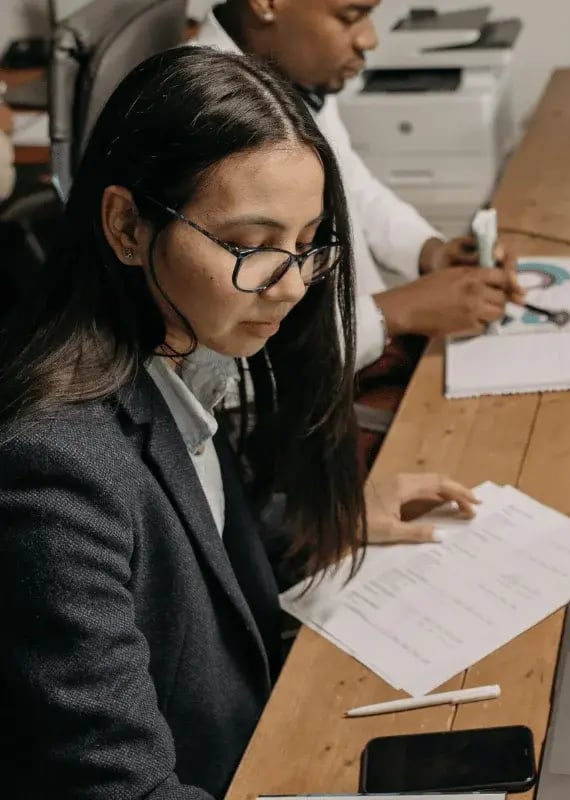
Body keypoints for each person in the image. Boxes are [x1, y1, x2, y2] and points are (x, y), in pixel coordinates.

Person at [0, 46, 477, 799]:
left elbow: (191, 538)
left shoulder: (182, 349)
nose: (291, 288)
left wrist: (325, 521)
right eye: (252, 247)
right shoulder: (54, 475)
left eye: (307, 243)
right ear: (126, 226)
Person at [194, 0, 525, 374]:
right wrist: (397, 313)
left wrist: (430, 252)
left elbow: (354, 187)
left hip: (361, 347)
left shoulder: (289, 69)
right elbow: (237, 365)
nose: (369, 39)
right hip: (304, 400)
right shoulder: (207, 116)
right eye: (350, 16)